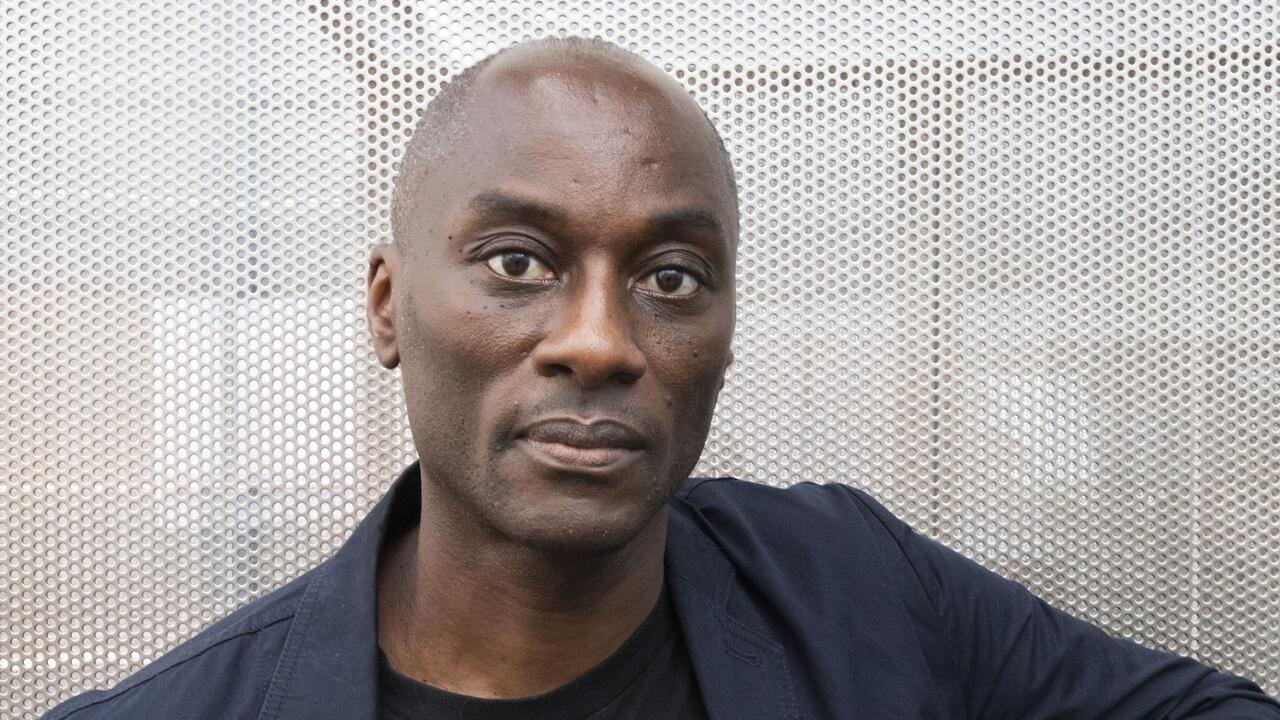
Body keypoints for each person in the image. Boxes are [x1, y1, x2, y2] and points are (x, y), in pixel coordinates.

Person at [42, 36, 1279, 720]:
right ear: (386, 306)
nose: (600, 342)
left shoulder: (850, 585)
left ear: (726, 334)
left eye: (672, 277)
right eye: (517, 261)